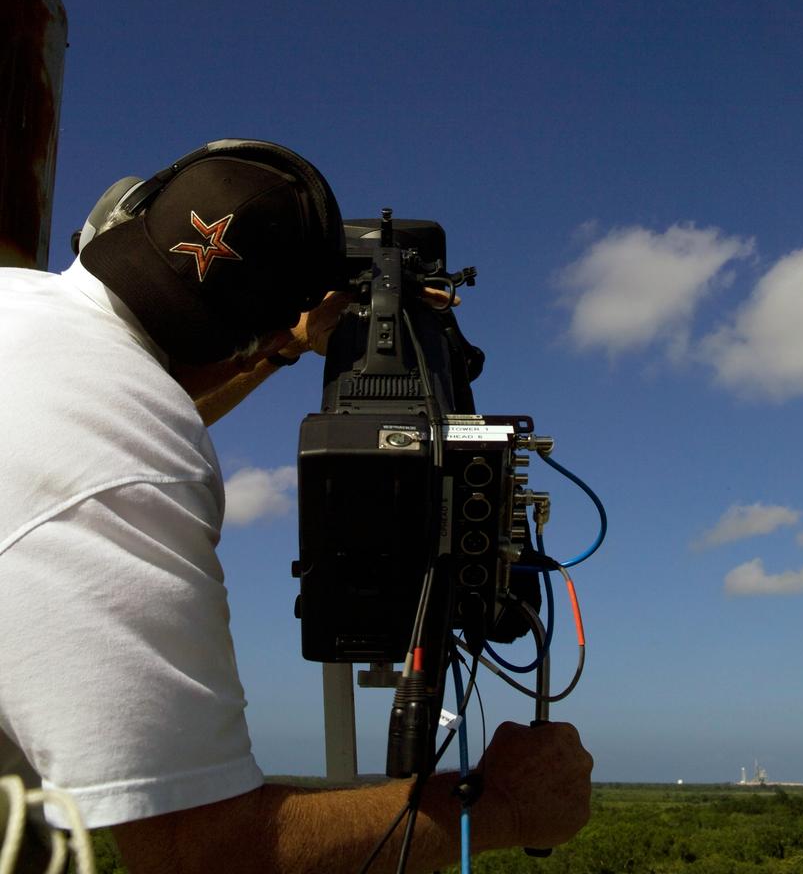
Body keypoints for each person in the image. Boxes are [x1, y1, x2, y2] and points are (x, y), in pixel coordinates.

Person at [0, 139, 593, 874]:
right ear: (262, 327)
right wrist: (501, 804)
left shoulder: (21, 306)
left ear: (128, 214)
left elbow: (128, 411)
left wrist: (279, 349)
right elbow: (200, 857)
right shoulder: (129, 469)